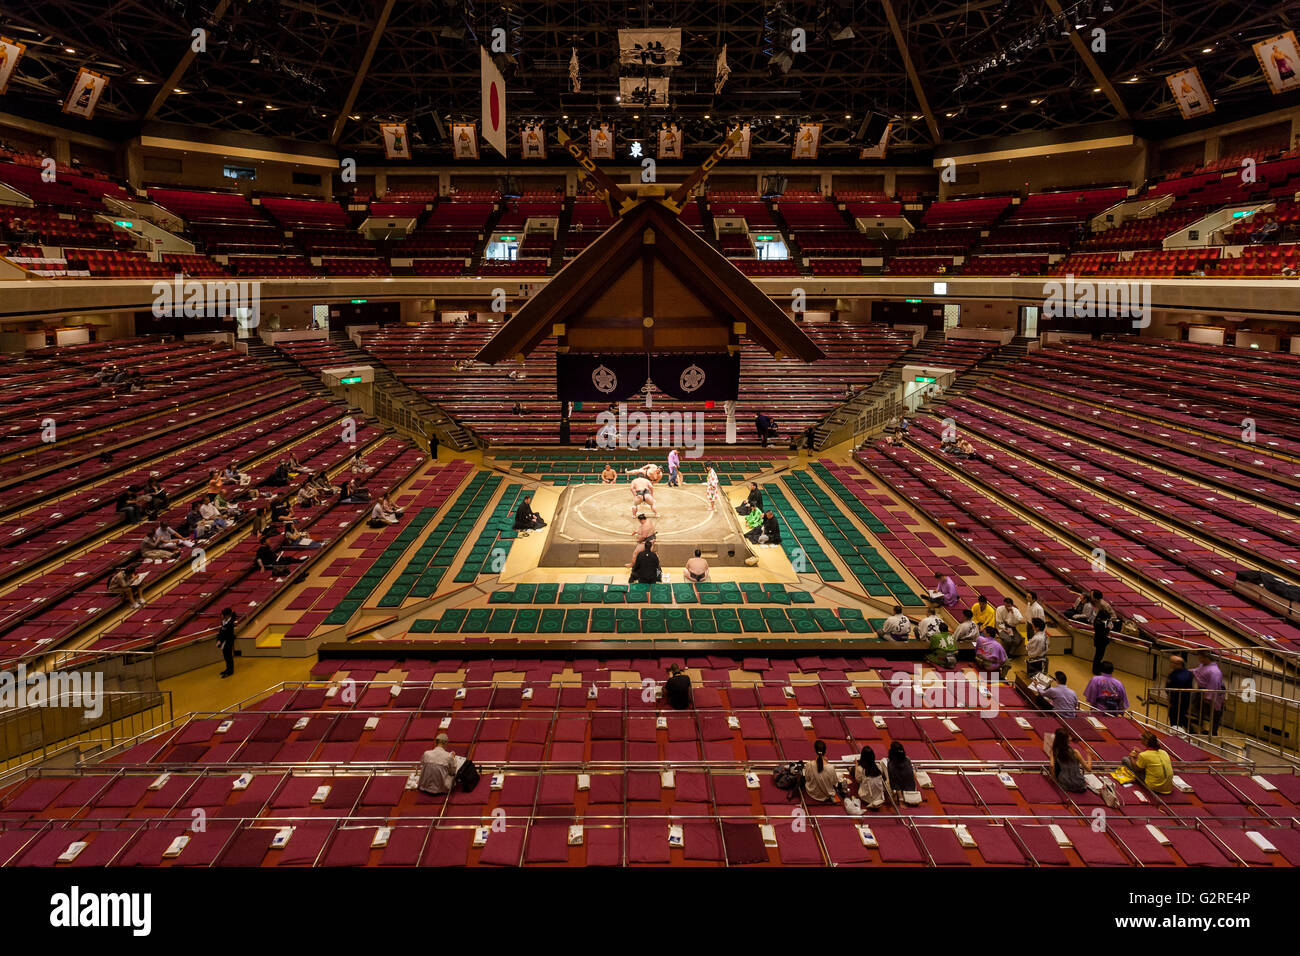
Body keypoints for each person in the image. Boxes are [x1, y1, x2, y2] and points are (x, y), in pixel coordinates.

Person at [1046, 728, 1092, 793]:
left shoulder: (1054, 751)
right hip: (1080, 785)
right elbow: (1089, 769)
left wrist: (1055, 780)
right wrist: (1089, 756)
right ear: (1066, 739)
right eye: (1069, 736)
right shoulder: (1075, 752)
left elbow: (1051, 765)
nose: (1071, 738)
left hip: (1065, 785)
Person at [1191, 652, 1226, 736]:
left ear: (1205, 658)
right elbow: (1197, 671)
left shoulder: (1214, 671)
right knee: (1199, 707)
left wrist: (1208, 697)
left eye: (1200, 657)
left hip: (1212, 693)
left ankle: (1213, 732)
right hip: (1203, 691)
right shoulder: (1204, 665)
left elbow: (1214, 686)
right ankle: (1200, 721)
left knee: (1215, 714)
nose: (1199, 659)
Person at [1165, 655, 1195, 731]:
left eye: (1171, 662)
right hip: (1184, 701)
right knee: (1181, 716)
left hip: (1177, 702)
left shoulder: (1177, 676)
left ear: (1178, 664)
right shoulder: (1187, 673)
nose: (1170, 664)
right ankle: (1190, 729)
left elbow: (1174, 691)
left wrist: (1171, 701)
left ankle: (1176, 735)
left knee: (1175, 719)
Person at [1089, 589, 1116, 674]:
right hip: (1101, 636)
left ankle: (1096, 669)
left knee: (1098, 655)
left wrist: (1108, 625)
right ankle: (1096, 670)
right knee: (1099, 655)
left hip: (1101, 634)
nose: (1090, 596)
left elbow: (1113, 617)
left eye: (1092, 595)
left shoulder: (1104, 606)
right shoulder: (1099, 621)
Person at [215, 607, 237, 679]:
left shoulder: (230, 623)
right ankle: (227, 669)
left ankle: (230, 671)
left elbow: (225, 634)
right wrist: (219, 639)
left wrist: (220, 641)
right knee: (225, 656)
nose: (221, 616)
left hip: (228, 641)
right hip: (224, 641)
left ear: (227, 615)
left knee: (228, 657)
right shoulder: (224, 621)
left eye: (222, 615)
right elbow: (221, 632)